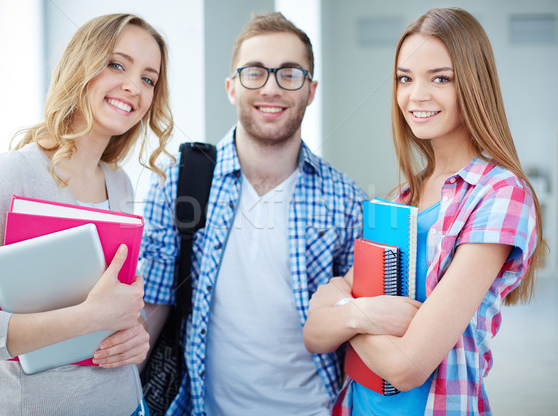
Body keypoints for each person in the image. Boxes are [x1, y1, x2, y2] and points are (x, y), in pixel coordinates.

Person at [139, 11, 421, 416]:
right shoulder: (180, 181)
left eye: (290, 74)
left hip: (315, 408)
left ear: (311, 90)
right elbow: (154, 306)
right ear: (231, 87)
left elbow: (360, 326)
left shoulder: (344, 197)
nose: (271, 88)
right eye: (255, 73)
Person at [303, 7, 544, 416]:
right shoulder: (401, 196)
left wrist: (344, 314)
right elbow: (312, 333)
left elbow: (407, 367)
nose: (416, 95)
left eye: (441, 78)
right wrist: (365, 313)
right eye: (404, 78)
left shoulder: (500, 194)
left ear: (473, 84)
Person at [0, 13, 174, 415]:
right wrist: (88, 318)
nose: (133, 86)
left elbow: (118, 309)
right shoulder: (14, 175)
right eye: (117, 64)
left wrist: (136, 335)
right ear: (82, 66)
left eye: (148, 78)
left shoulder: (119, 182)